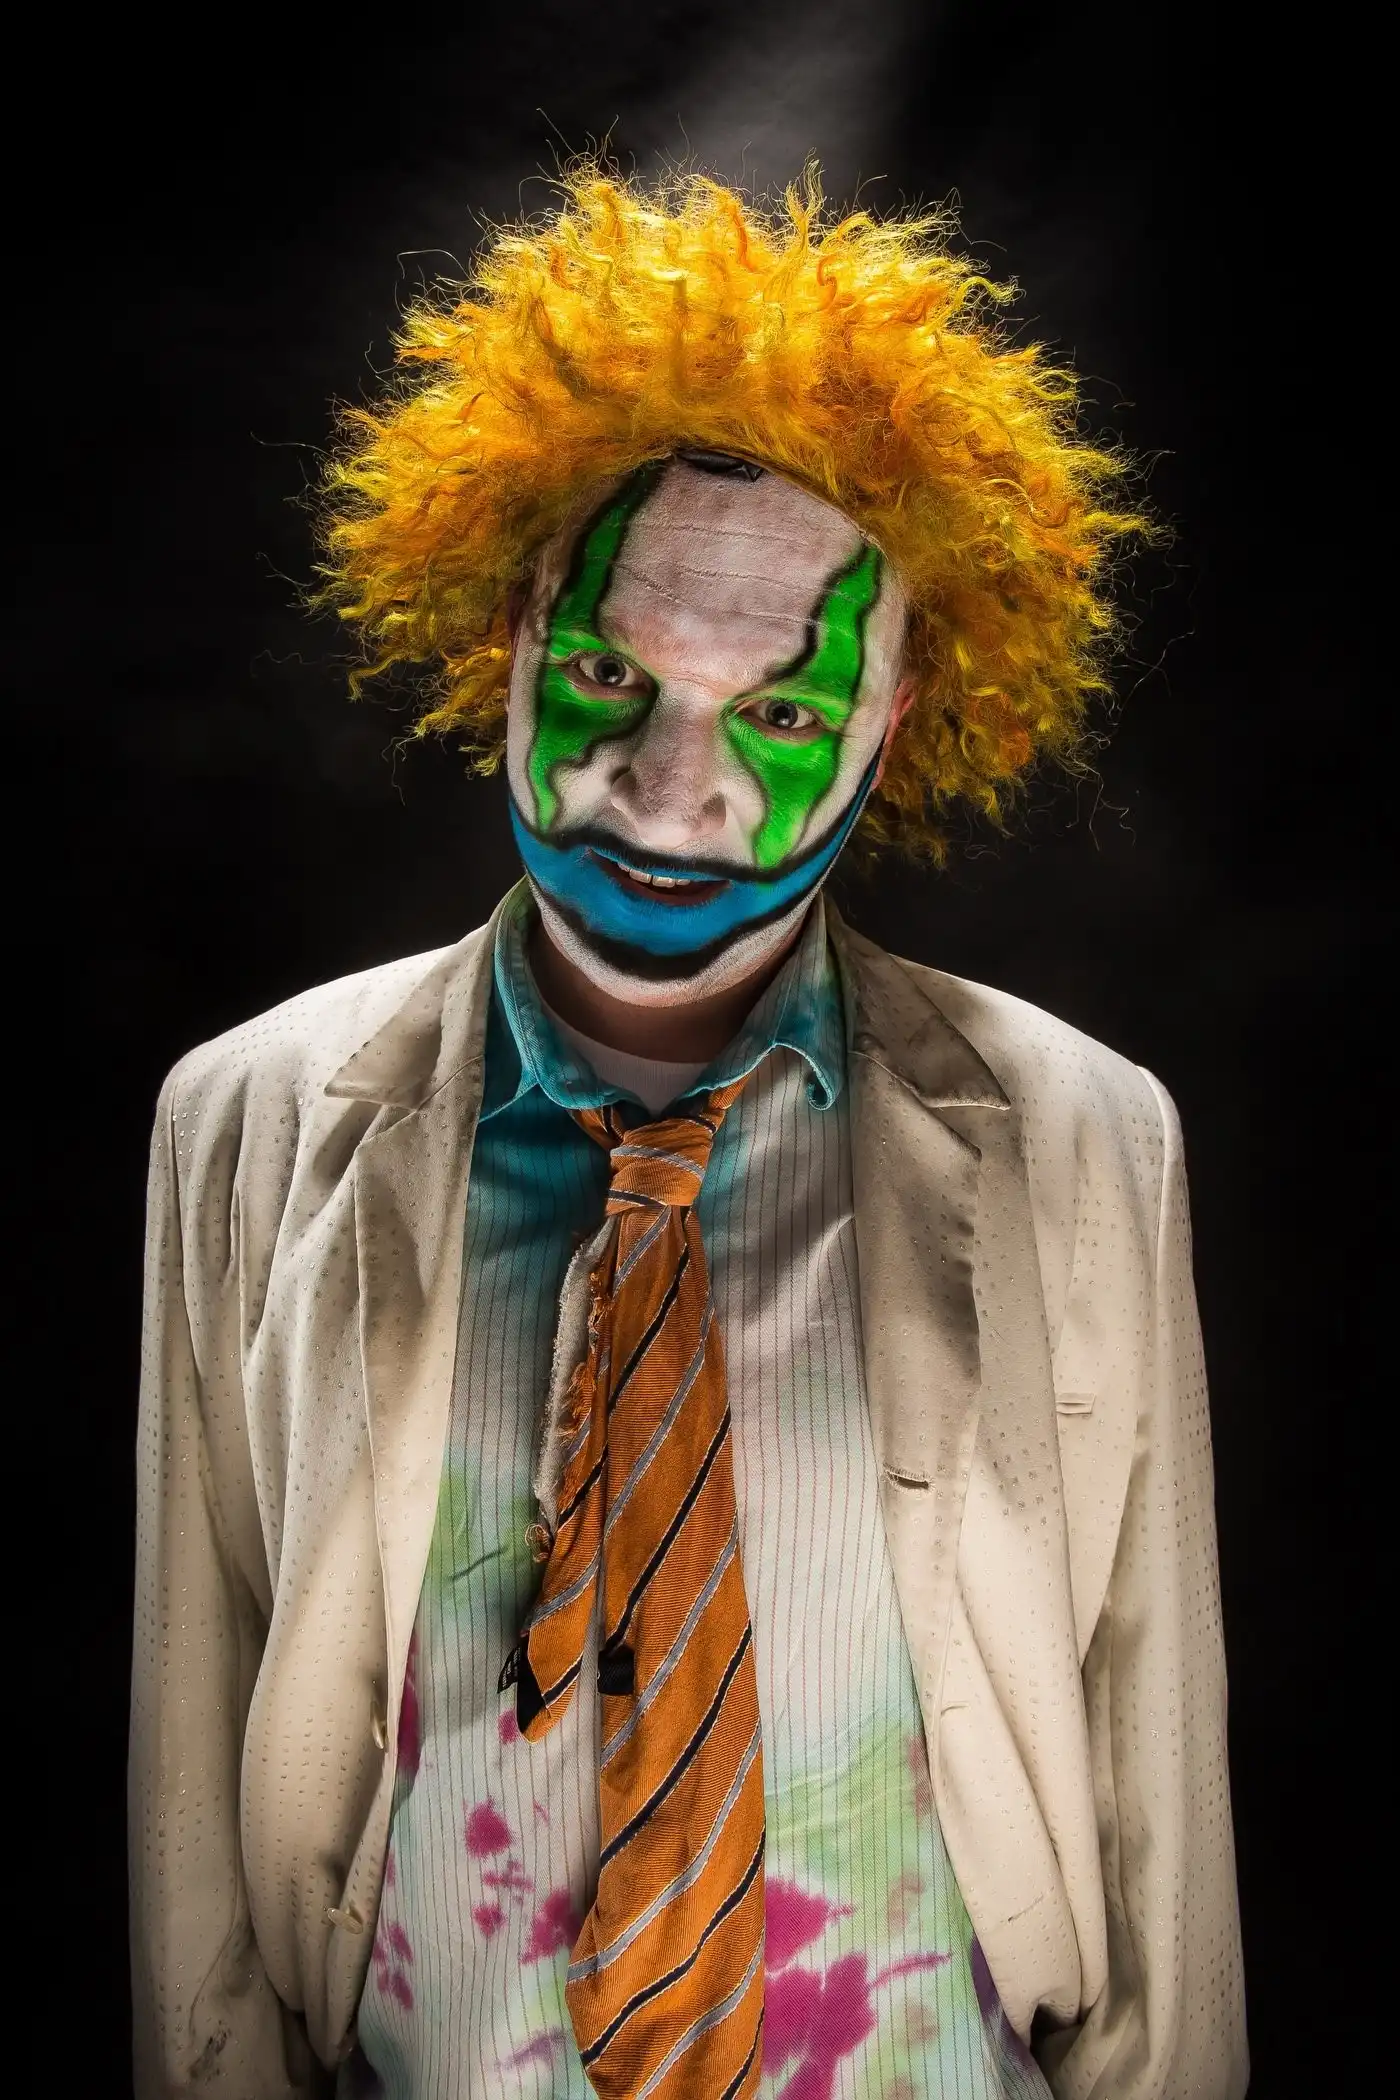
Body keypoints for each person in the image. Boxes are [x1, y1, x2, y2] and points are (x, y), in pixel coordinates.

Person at [129, 171, 1247, 2100]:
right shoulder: (246, 1119)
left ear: (900, 711)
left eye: (785, 713)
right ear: (508, 634)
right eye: (605, 677)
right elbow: (198, 1833)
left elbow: (1156, 1792)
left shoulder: (1083, 1135)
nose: (672, 789)